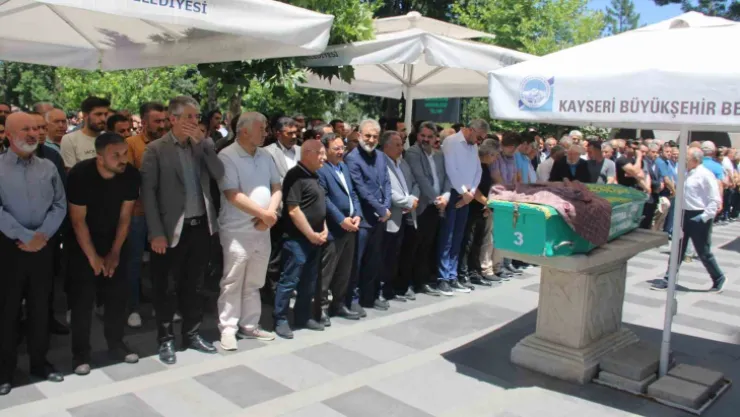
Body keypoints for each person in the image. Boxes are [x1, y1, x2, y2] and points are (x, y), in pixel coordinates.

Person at [140, 96, 225, 365]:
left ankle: (192, 334)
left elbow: (219, 173)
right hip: (169, 231)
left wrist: (204, 146)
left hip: (200, 227)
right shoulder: (155, 149)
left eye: (196, 116)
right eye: (189, 116)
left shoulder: (203, 145)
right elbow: (148, 194)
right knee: (165, 287)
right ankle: (165, 339)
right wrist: (155, 232)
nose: (194, 121)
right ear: (173, 119)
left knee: (195, 285)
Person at [0, 113, 67, 396]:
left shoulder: (48, 166)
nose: (32, 133)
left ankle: (40, 363)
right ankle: (4, 370)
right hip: (9, 248)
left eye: (34, 128)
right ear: (8, 134)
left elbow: (59, 204)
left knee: (41, 307)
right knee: (7, 311)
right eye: (24, 129)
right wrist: (25, 237)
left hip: (43, 247)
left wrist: (42, 236)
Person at [66, 132, 140, 376]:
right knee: (82, 302)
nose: (122, 159)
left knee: (117, 297)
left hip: (115, 239)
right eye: (115, 155)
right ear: (99, 157)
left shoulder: (130, 175)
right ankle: (80, 354)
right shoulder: (79, 175)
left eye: (124, 153)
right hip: (82, 243)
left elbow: (125, 217)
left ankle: (116, 344)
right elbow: (78, 221)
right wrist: (93, 258)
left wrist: (115, 252)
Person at [216, 112, 281, 349]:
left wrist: (269, 216)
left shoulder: (265, 155)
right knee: (233, 281)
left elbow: (276, 187)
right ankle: (228, 328)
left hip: (263, 230)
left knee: (255, 280)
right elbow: (232, 194)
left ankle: (249, 324)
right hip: (237, 231)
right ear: (244, 131)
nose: (266, 132)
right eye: (261, 128)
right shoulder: (227, 155)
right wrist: (264, 215)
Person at [651, 148, 727, 293]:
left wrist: (703, 217)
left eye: (686, 157)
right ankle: (668, 279)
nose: (683, 159)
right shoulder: (686, 173)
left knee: (703, 251)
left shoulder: (705, 175)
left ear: (695, 160)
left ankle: (719, 278)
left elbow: (715, 199)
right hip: (684, 214)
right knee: (677, 248)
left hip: (699, 215)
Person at [273, 140, 328, 339]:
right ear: (308, 153)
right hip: (297, 239)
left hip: (315, 239)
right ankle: (280, 318)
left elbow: (319, 205)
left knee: (309, 281)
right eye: (320, 153)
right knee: (290, 280)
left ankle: (303, 316)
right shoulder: (295, 176)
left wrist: (323, 229)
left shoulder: (315, 176)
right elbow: (294, 210)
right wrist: (310, 234)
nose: (324, 157)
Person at [124, 102, 168, 328]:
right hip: (138, 213)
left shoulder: (169, 143)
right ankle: (132, 308)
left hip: (164, 214)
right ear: (143, 122)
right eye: (157, 121)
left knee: (162, 263)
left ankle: (161, 306)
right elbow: (129, 179)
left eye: (164, 120)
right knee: (133, 261)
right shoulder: (131, 144)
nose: (162, 125)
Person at [345, 119, 392, 313]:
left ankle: (369, 296)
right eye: (367, 136)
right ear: (359, 135)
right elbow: (360, 189)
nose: (371, 140)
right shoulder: (352, 158)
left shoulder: (381, 156)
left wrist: (386, 206)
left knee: (374, 260)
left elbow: (386, 182)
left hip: (380, 217)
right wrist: (381, 209)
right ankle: (352, 298)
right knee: (356, 262)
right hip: (363, 217)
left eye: (375, 136)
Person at [315, 133, 362, 325]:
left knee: (344, 270)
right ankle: (320, 308)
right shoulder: (321, 170)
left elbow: (353, 194)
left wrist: (357, 214)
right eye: (336, 148)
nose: (341, 151)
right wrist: (341, 220)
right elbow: (324, 199)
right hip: (334, 229)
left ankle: (339, 304)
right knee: (326, 272)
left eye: (342, 147)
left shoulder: (343, 167)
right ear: (325, 150)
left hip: (351, 226)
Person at [438, 120, 488, 296]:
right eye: (479, 137)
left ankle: (452, 275)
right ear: (471, 130)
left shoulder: (473, 147)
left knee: (458, 237)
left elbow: (478, 171)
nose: (479, 141)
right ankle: (443, 277)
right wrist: (464, 192)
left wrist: (471, 193)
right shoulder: (451, 142)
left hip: (467, 196)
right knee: (448, 237)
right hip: (454, 193)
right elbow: (451, 170)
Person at [402, 121, 450, 296]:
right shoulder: (412, 153)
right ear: (417, 135)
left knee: (426, 247)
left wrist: (446, 196)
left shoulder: (439, 155)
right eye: (423, 135)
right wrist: (437, 200)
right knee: (412, 246)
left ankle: (421, 282)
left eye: (430, 137)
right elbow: (420, 179)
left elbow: (447, 178)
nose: (425, 139)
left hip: (435, 207)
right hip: (420, 206)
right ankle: (405, 284)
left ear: (435, 138)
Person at [263, 117, 301, 300]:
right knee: (275, 254)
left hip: (299, 211)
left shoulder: (301, 151)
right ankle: (271, 290)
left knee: (293, 252)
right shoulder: (267, 153)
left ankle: (288, 286)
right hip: (278, 211)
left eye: (296, 132)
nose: (294, 136)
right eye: (289, 133)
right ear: (278, 134)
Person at [381, 130, 420, 301]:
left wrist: (413, 199)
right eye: (397, 145)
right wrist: (407, 202)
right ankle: (383, 290)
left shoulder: (403, 163)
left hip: (407, 215)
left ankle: (395, 288)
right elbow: (387, 191)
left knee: (399, 254)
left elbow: (415, 184)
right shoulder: (381, 164)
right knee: (387, 255)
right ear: (386, 146)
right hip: (392, 216)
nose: (401, 148)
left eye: (401, 144)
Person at [458, 139, 500, 287]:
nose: (496, 159)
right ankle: (463, 273)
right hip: (472, 208)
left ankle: (474, 271)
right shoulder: (476, 166)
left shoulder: (486, 167)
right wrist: (487, 203)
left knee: (478, 242)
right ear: (489, 154)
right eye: (495, 155)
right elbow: (475, 190)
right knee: (468, 243)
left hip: (482, 209)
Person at [60, 96, 110, 170]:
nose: (103, 119)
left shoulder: (109, 138)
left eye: (105, 114)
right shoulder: (70, 139)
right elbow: (71, 173)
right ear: (85, 115)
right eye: (98, 114)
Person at [654, 143, 677, 235]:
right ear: (661, 152)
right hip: (662, 193)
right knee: (659, 217)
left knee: (663, 217)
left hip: (667, 192)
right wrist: (675, 191)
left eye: (670, 152)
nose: (669, 153)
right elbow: (666, 179)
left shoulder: (666, 162)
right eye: (667, 151)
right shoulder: (660, 162)